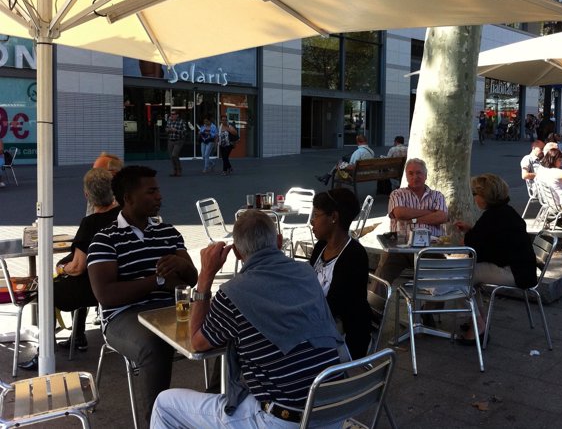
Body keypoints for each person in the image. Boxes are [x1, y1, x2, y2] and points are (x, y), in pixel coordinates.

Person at [150, 210, 345, 429]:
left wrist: (205, 275)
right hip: (331, 412)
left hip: (282, 420)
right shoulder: (307, 273)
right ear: (279, 242)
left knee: (164, 404)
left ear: (237, 253)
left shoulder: (233, 294)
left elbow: (196, 342)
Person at [88, 165, 198, 426]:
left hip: (171, 310)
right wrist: (157, 281)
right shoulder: (105, 240)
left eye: (158, 191)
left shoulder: (168, 232)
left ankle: (216, 404)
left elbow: (190, 279)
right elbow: (106, 295)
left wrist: (182, 266)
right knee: (154, 345)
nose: (159, 196)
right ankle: (157, 422)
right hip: (124, 316)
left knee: (226, 324)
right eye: (151, 192)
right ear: (129, 198)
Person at [18, 168, 121, 371]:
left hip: (92, 289)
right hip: (116, 284)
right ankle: (78, 335)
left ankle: (44, 353)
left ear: (87, 195)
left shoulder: (90, 223)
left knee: (46, 292)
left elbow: (77, 267)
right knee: (76, 283)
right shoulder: (122, 215)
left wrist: (62, 268)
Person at [454, 174, 537, 343]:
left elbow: (473, 246)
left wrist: (467, 237)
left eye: (474, 194)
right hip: (523, 269)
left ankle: (478, 325)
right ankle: (479, 318)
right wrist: (471, 230)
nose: (474, 198)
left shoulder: (492, 217)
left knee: (458, 278)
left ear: (484, 197)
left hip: (514, 272)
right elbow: (490, 240)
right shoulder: (507, 212)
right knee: (469, 276)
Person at [309, 188, 371, 358]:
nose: (312, 221)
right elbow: (309, 283)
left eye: (316, 215)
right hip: (320, 323)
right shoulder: (321, 246)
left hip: (343, 335)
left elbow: (336, 305)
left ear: (334, 217)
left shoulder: (354, 255)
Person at [374, 158, 448, 285]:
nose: (415, 177)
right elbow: (400, 213)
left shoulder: (437, 195)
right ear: (406, 176)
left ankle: (431, 304)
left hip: (430, 250)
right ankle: (375, 304)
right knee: (383, 274)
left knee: (439, 281)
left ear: (425, 175)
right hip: (401, 249)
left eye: (419, 173)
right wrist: (430, 212)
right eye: (411, 173)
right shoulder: (397, 194)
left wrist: (413, 219)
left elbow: (441, 217)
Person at [165, 111, 187, 177]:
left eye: (173, 114)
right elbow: (166, 128)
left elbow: (185, 132)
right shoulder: (169, 121)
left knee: (174, 155)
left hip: (179, 140)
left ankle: (179, 170)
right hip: (170, 140)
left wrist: (176, 130)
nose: (172, 115)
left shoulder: (181, 121)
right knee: (171, 157)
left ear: (177, 115)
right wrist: (168, 130)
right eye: (171, 114)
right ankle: (175, 171)